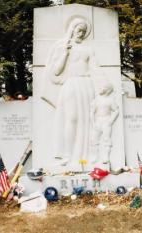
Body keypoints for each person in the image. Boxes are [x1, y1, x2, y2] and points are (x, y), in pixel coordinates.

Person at [42, 17, 97, 166]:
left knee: (87, 121)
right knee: (71, 118)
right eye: (79, 30)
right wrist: (65, 53)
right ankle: (67, 154)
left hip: (86, 85)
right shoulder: (63, 46)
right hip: (71, 84)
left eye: (84, 31)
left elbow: (94, 68)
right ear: (72, 29)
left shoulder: (88, 49)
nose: (81, 33)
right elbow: (56, 71)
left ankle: (84, 156)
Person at [90, 78, 119, 164]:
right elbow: (92, 112)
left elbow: (116, 110)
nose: (100, 89)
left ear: (107, 90)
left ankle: (105, 157)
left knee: (106, 139)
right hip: (98, 120)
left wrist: (110, 121)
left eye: (102, 87)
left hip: (106, 120)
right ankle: (94, 157)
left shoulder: (110, 100)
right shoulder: (97, 99)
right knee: (94, 139)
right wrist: (93, 122)